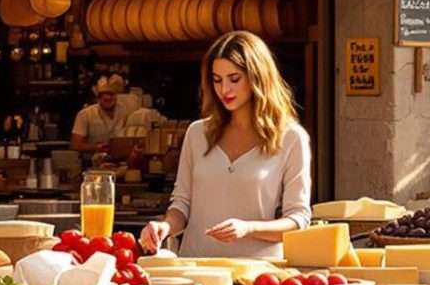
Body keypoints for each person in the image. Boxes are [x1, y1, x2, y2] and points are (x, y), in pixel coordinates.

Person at [140, 31, 313, 259]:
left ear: (257, 78)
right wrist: (165, 227)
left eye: (234, 79)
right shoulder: (197, 134)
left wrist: (248, 228)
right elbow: (182, 204)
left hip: (256, 275)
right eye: (217, 80)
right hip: (195, 268)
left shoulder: (291, 138)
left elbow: (298, 220)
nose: (224, 90)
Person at [70, 75, 138, 157]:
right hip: (93, 163)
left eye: (111, 94)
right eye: (104, 95)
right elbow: (75, 145)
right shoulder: (85, 114)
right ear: (98, 98)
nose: (108, 97)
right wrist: (97, 147)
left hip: (121, 160)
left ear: (116, 96)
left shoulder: (126, 110)